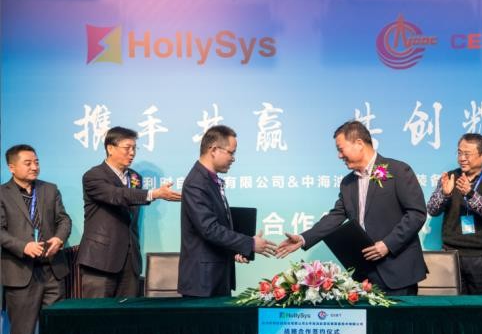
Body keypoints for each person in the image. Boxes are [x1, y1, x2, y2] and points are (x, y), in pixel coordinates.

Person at [276, 120, 427, 295]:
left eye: (341, 149)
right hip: (364, 274)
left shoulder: (398, 170)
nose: (339, 156)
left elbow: (416, 214)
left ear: (359, 143)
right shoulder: (348, 183)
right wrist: (303, 238)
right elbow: (335, 216)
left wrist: (388, 244)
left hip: (398, 271)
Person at [77, 126, 181, 298]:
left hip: (130, 260)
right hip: (100, 259)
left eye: (134, 148)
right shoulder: (93, 176)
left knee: (128, 311)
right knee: (97, 312)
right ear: (110, 148)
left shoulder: (134, 177)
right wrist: (154, 193)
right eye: (127, 148)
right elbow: (117, 195)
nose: (132, 153)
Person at [1, 144, 71, 334]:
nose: (34, 167)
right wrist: (23, 246)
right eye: (28, 163)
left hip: (52, 271)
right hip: (21, 273)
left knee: (55, 330)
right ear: (12, 167)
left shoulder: (49, 189)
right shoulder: (2, 194)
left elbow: (64, 219)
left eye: (37, 162)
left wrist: (59, 239)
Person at [178, 125, 276, 297]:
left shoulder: (209, 179)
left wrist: (236, 250)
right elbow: (209, 229)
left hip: (216, 276)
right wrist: (250, 243)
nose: (233, 158)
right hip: (203, 282)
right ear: (213, 150)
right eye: (231, 152)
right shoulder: (196, 182)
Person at [426, 133, 482, 294]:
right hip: (451, 254)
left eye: (467, 154)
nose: (462, 158)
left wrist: (470, 193)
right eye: (459, 153)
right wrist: (445, 194)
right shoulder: (450, 177)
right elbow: (432, 210)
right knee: (451, 304)